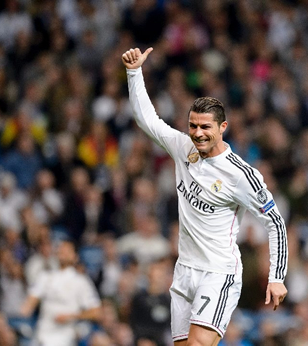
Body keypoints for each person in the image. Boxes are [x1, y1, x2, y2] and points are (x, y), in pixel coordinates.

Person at [122, 47, 288, 345]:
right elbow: (147, 120)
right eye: (193, 126)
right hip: (184, 270)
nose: (197, 133)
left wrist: (276, 276)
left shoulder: (240, 175)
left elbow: (274, 222)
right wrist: (134, 73)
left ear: (222, 128)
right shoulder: (183, 149)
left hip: (218, 272)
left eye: (205, 127)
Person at [20, 240, 102, 346]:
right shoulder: (45, 276)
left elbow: (96, 312)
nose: (63, 251)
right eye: (61, 249)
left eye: (67, 250)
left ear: (75, 256)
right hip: (41, 333)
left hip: (65, 336)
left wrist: (70, 316)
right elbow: (30, 301)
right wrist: (23, 311)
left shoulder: (81, 281)